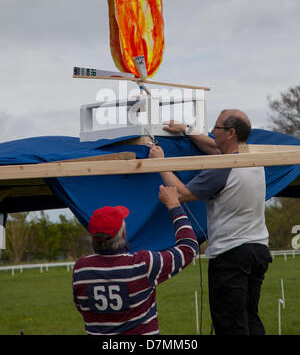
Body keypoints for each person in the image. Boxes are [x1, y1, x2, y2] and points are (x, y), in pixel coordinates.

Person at [148, 109, 272, 335]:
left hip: (231, 256)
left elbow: (182, 193)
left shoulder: (224, 167)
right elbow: (213, 146)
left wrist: (160, 163)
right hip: (258, 251)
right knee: (249, 319)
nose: (213, 132)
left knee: (231, 326)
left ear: (231, 133)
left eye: (217, 128)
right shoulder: (252, 157)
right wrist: (187, 130)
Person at [72, 185, 199, 335]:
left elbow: (81, 306)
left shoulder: (81, 269)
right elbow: (188, 248)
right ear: (124, 233)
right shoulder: (142, 264)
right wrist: (173, 205)